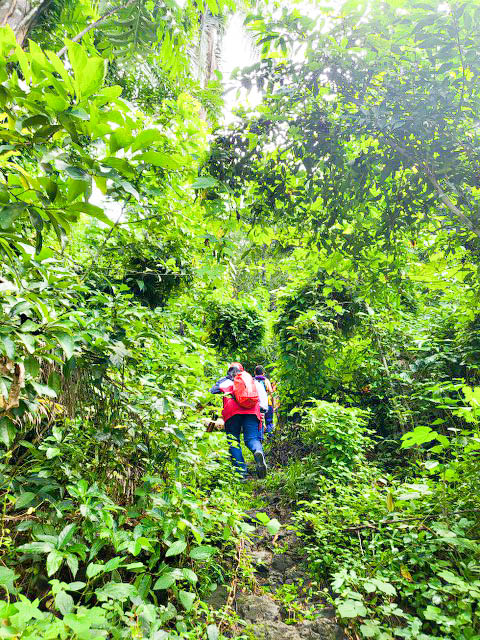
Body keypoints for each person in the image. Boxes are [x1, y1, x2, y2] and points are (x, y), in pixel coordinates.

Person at [210, 362, 267, 480]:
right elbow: (262, 400)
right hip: (252, 410)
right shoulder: (250, 380)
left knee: (233, 440)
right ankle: (257, 451)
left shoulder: (224, 381)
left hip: (232, 412)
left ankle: (241, 472)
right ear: (242, 371)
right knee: (252, 439)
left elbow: (212, 391)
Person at [254, 365, 275, 438]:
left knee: (259, 422)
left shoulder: (253, 381)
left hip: (257, 405)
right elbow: (271, 392)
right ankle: (271, 437)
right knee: (269, 422)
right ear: (263, 373)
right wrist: (274, 405)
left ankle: (260, 438)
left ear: (254, 372)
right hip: (268, 403)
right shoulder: (266, 380)